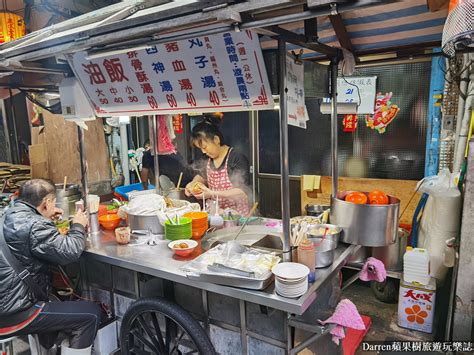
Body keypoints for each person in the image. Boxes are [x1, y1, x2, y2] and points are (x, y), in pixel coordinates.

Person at [0, 179, 101, 354]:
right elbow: (70, 251)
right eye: (53, 203)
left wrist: (44, 218)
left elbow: (28, 240)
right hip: (15, 312)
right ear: (46, 203)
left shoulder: (8, 215)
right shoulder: (35, 225)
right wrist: (78, 224)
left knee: (58, 302)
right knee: (91, 314)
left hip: (6, 302)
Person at [185, 117, 250, 215]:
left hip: (236, 216)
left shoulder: (236, 158)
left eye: (204, 147)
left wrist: (211, 193)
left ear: (216, 140)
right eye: (200, 148)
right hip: (216, 214)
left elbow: (242, 192)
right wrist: (193, 184)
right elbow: (201, 176)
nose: (203, 151)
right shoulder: (207, 158)